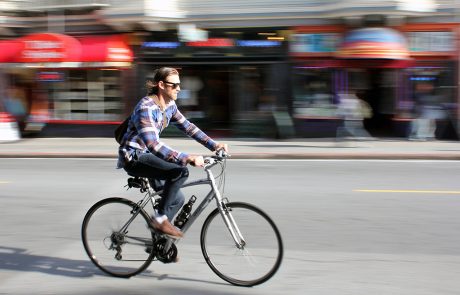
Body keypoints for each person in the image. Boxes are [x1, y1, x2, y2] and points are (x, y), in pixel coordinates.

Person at [117, 67, 228, 239]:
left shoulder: (169, 106)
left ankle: (160, 243)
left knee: (176, 199)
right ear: (161, 85)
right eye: (174, 85)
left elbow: (188, 127)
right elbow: (153, 144)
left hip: (148, 156)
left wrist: (214, 146)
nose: (179, 88)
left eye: (179, 84)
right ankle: (160, 220)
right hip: (134, 157)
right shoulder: (145, 108)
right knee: (180, 172)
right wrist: (187, 158)